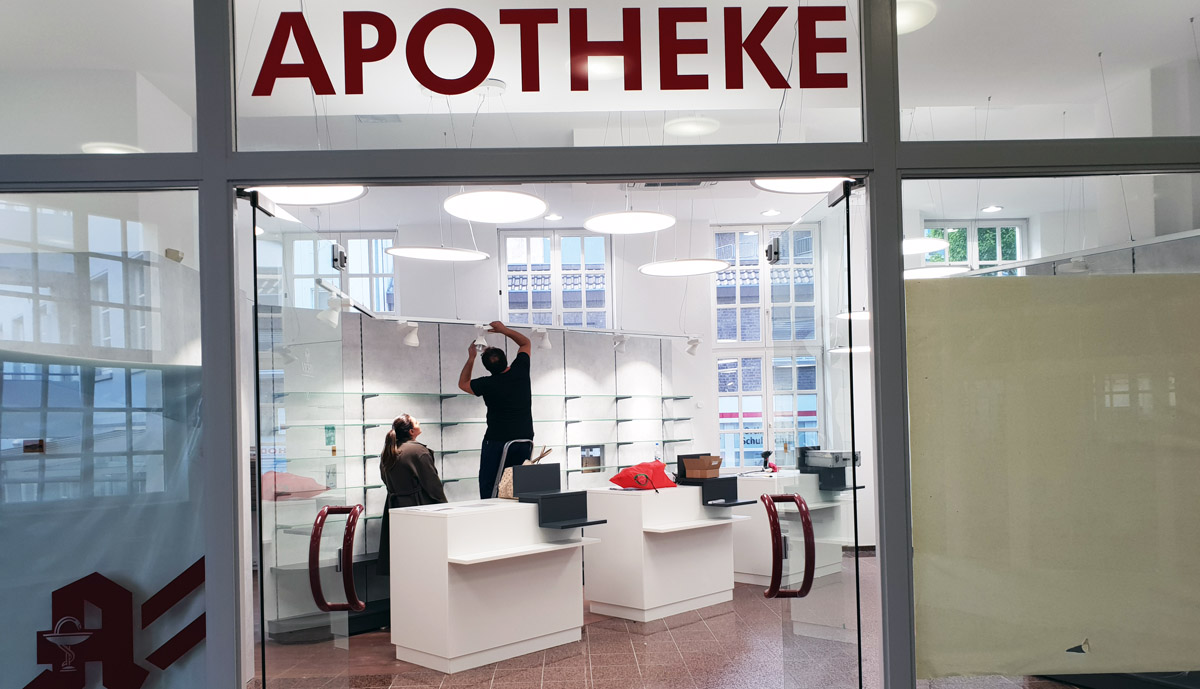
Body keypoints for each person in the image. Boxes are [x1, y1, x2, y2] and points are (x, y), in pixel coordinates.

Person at [457, 320, 533, 499]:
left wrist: (471, 357)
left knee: (491, 485)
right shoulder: (520, 371)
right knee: (518, 486)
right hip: (524, 438)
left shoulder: (487, 384)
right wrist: (503, 330)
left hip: (497, 441)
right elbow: (525, 343)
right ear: (506, 360)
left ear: (487, 368)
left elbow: (463, 384)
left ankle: (490, 512)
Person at [377, 414, 446, 574]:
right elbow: (432, 484)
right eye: (416, 422)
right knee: (422, 556)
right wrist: (444, 505)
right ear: (411, 431)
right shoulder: (419, 451)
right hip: (418, 507)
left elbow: (385, 479)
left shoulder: (389, 451)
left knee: (402, 556)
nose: (419, 422)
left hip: (394, 507)